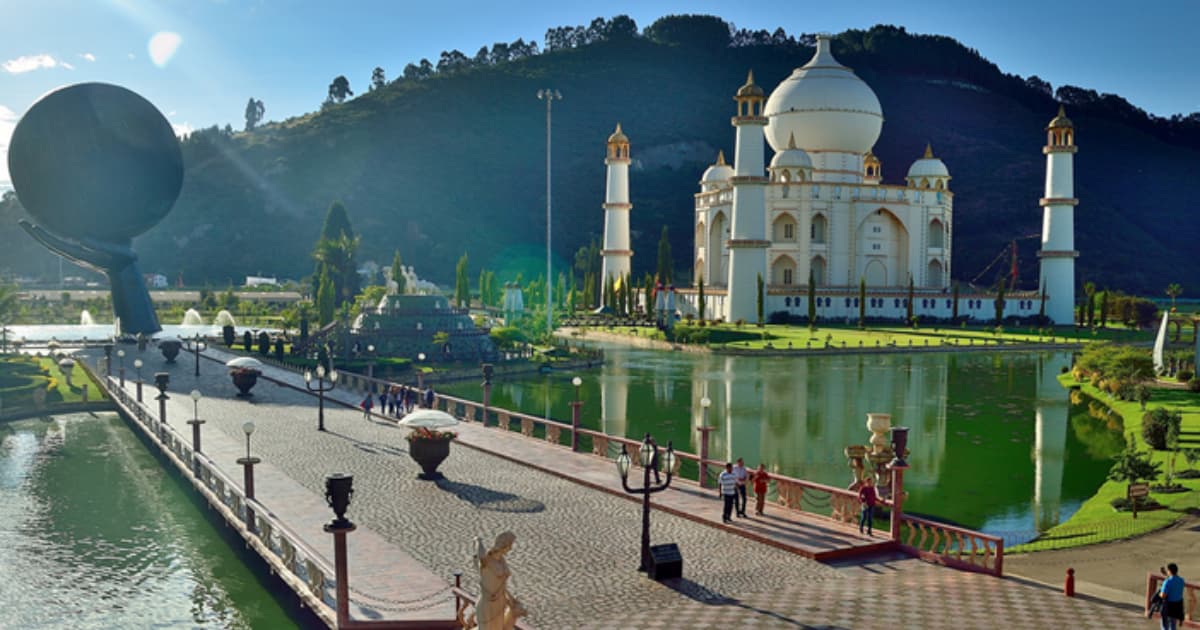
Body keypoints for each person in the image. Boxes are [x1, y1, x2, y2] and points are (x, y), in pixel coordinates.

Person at [473, 531, 527, 630]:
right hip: (487, 605)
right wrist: (478, 541)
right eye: (509, 545)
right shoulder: (486, 562)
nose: (510, 548)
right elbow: (480, 556)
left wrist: (511, 599)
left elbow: (502, 585)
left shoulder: (502, 560)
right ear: (503, 545)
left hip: (500, 602)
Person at [1159, 563, 1186, 629]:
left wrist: (1159, 593)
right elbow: (1174, 581)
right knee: (1173, 625)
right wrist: (1166, 575)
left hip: (1168, 606)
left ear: (1169, 571)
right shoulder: (1181, 580)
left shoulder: (1167, 581)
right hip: (1177, 605)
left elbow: (1163, 595)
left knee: (1165, 625)